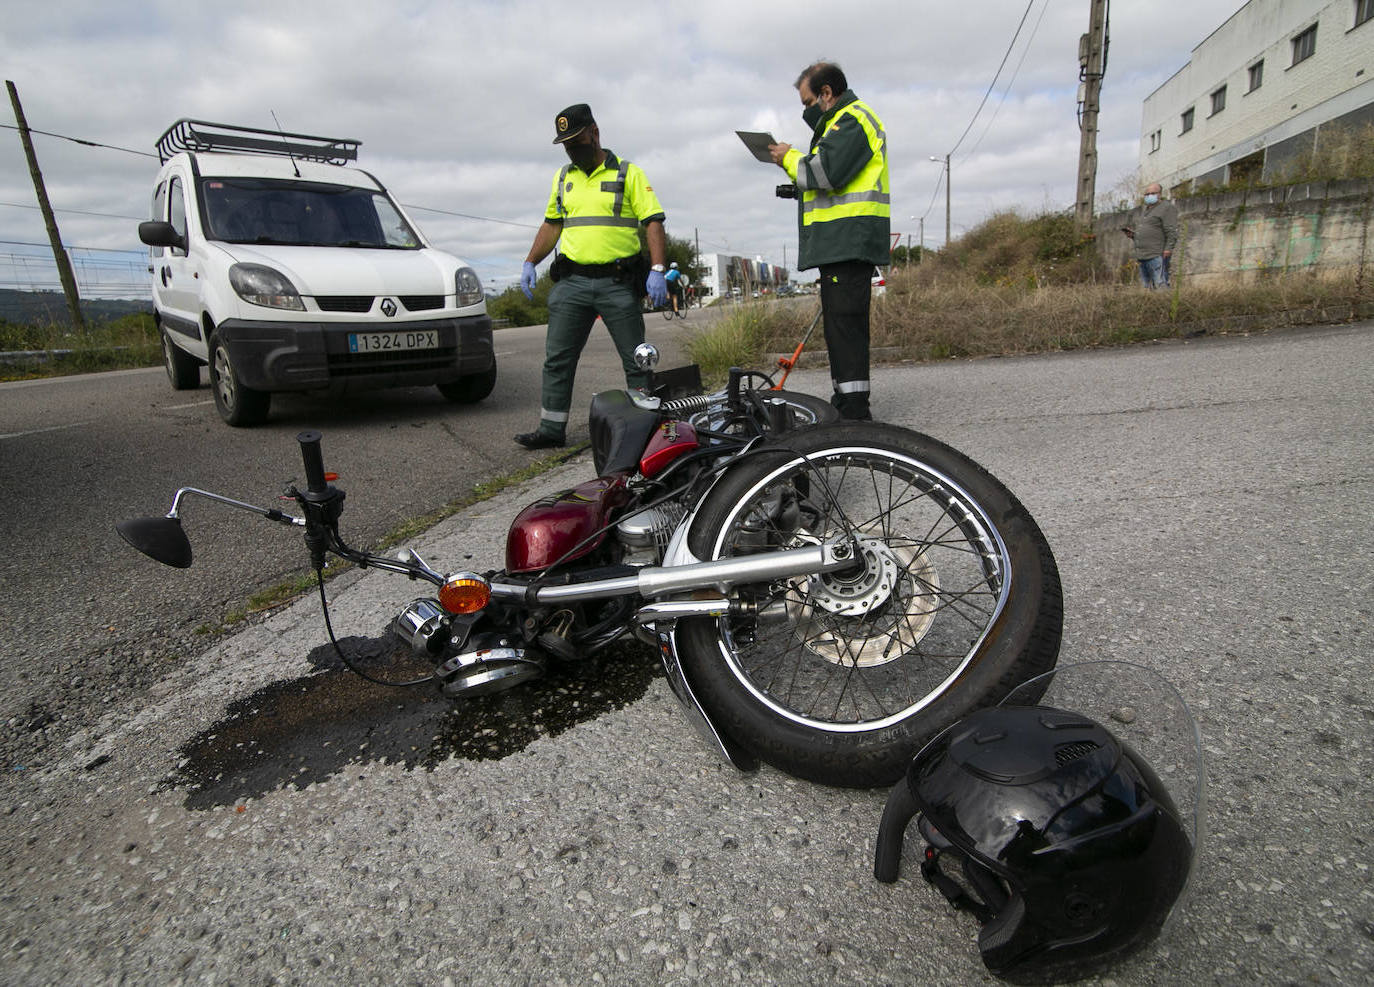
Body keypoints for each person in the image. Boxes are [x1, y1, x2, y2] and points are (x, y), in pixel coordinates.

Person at [515, 103, 669, 449]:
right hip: (572, 283)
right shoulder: (563, 178)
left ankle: (644, 430)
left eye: (577, 140)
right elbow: (552, 224)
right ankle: (551, 430)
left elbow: (653, 221)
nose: (572, 149)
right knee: (557, 359)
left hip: (617, 283)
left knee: (637, 360)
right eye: (566, 144)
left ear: (594, 133)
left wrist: (657, 269)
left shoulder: (628, 173)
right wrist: (530, 261)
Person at [768, 61, 889, 421]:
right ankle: (847, 403)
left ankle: (854, 412)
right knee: (840, 330)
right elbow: (832, 182)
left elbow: (825, 172)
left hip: (849, 242)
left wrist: (788, 157)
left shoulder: (852, 119)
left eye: (807, 102)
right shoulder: (839, 124)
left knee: (846, 330)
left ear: (826, 93)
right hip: (842, 244)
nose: (805, 110)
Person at [1122, 182, 1178, 289]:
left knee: (1160, 284)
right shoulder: (1146, 210)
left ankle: (1164, 304)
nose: (1149, 196)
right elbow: (1150, 231)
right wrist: (1133, 235)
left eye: (1152, 193)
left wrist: (1168, 249)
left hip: (1157, 254)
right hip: (1143, 256)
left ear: (1159, 194)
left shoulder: (1166, 208)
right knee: (1148, 287)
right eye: (1147, 194)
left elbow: (1171, 230)